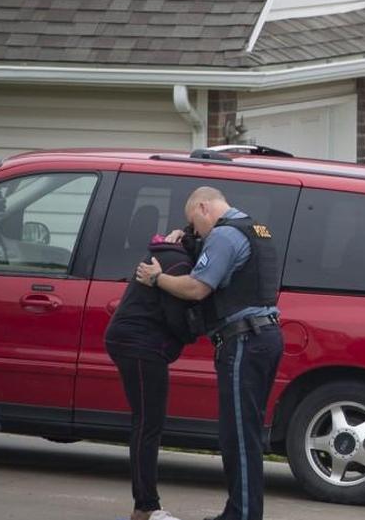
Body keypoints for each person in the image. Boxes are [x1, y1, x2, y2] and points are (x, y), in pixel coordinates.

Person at [135, 187, 283, 520]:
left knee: (238, 438)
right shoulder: (255, 229)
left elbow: (197, 287)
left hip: (244, 340)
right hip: (265, 335)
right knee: (245, 434)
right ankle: (238, 511)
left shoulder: (224, 236)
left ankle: (242, 516)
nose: (196, 230)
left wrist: (156, 278)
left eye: (194, 223)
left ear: (204, 207)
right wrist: (188, 241)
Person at [106, 229, 201, 520]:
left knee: (145, 422)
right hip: (141, 345)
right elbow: (176, 319)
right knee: (148, 424)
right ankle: (146, 506)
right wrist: (196, 330)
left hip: (130, 341)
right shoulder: (180, 265)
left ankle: (144, 505)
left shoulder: (167, 256)